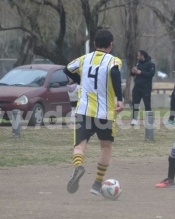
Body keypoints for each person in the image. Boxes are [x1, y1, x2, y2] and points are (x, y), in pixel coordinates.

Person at [63, 29, 124, 196]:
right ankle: (97, 184)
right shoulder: (113, 60)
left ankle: (78, 166)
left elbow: (67, 69)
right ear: (111, 45)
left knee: (80, 144)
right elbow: (115, 73)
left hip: (84, 110)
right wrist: (119, 98)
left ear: (95, 44)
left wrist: (80, 80)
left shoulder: (84, 59)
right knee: (105, 146)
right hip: (105, 112)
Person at [130, 50, 155, 126]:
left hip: (146, 87)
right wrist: (133, 71)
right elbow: (132, 74)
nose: (137, 57)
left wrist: (141, 72)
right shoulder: (138, 64)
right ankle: (134, 119)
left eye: (138, 56)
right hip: (137, 87)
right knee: (135, 103)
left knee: (147, 104)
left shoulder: (150, 64)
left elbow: (151, 74)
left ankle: (149, 120)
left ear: (142, 56)